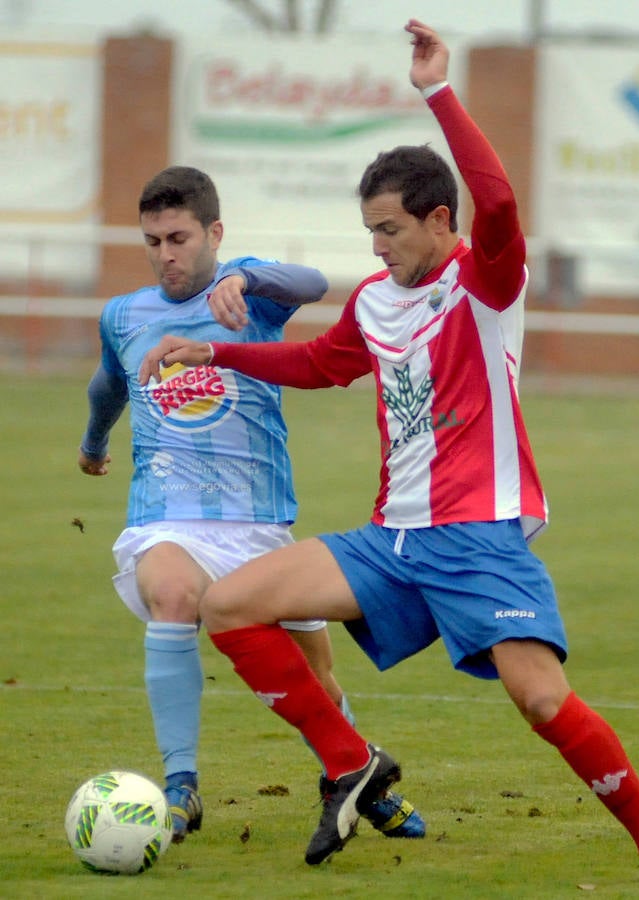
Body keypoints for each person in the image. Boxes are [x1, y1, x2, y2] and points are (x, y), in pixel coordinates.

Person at [138, 21, 639, 884]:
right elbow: (321, 364)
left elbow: (500, 204)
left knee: (540, 699)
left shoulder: (485, 282)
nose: (377, 246)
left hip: (478, 537)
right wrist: (216, 351)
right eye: (369, 230)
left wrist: (437, 90)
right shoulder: (375, 298)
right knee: (229, 606)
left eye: (390, 229)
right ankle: (352, 762)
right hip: (392, 540)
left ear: (440, 220)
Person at [77, 165, 425, 844]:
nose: (165, 254)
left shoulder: (251, 296)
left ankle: (355, 777)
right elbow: (106, 385)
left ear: (214, 233)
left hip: (259, 523)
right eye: (153, 241)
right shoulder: (123, 315)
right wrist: (93, 444)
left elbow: (313, 283)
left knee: (317, 675)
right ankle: (180, 787)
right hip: (167, 517)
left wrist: (248, 279)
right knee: (174, 595)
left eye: (178, 238)